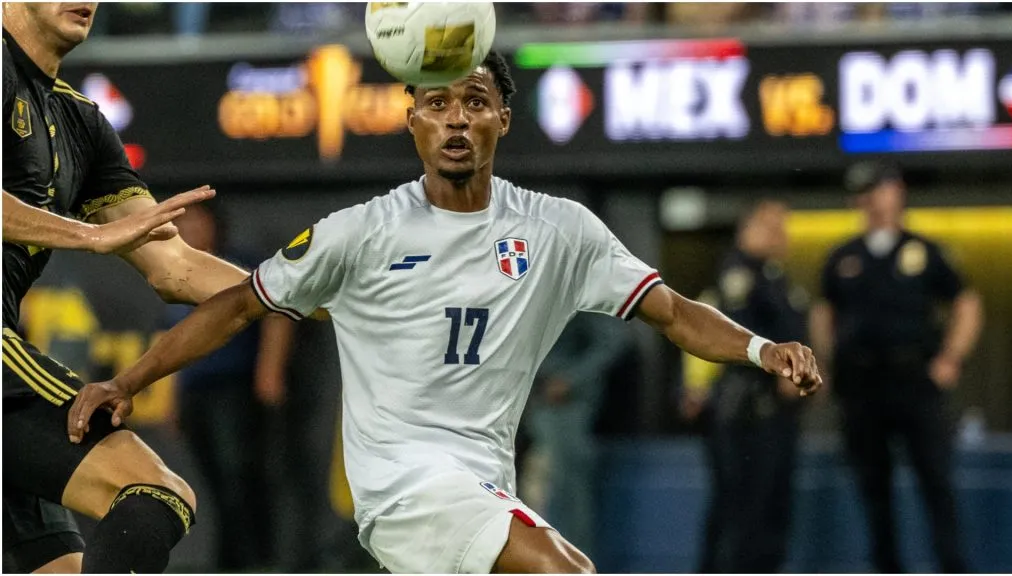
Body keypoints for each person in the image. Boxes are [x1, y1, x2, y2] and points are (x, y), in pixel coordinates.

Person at [68, 51, 823, 574]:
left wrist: (761, 350)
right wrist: (129, 381)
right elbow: (237, 307)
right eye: (437, 104)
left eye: (475, 102)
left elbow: (675, 312)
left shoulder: (558, 232)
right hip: (403, 485)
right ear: (413, 125)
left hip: (485, 477)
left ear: (503, 121)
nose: (456, 119)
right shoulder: (360, 233)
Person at [2, 3, 269, 573]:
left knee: (60, 565)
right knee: (155, 490)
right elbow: (102, 237)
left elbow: (174, 266)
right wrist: (86, 235)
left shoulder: (81, 123)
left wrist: (304, 292)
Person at [810, 162, 983, 573]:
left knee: (936, 480)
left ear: (897, 192)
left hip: (914, 380)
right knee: (873, 485)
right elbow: (823, 313)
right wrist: (826, 363)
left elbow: (967, 304)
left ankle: (952, 566)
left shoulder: (926, 251)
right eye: (862, 192)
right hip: (862, 384)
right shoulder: (843, 256)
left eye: (877, 189)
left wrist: (950, 358)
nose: (869, 199)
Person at [163, 203, 294, 572]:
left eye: (195, 221)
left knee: (240, 479)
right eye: (181, 223)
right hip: (195, 392)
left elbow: (279, 313)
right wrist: (173, 397)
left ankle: (254, 564)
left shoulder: (237, 264)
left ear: (214, 224)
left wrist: (269, 371)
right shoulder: (173, 271)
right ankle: (229, 564)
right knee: (215, 486)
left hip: (231, 390)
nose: (189, 229)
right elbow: (172, 341)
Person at [687, 200, 807, 573]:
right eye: (770, 227)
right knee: (740, 509)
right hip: (745, 411)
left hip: (776, 413)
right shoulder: (738, 273)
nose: (779, 236)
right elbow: (739, 337)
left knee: (770, 508)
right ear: (747, 228)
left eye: (782, 228)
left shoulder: (776, 277)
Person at [528, 312, 631, 558]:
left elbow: (615, 339)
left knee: (568, 488)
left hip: (564, 404)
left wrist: (572, 379)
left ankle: (570, 563)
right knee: (527, 486)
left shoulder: (573, 276)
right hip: (524, 396)